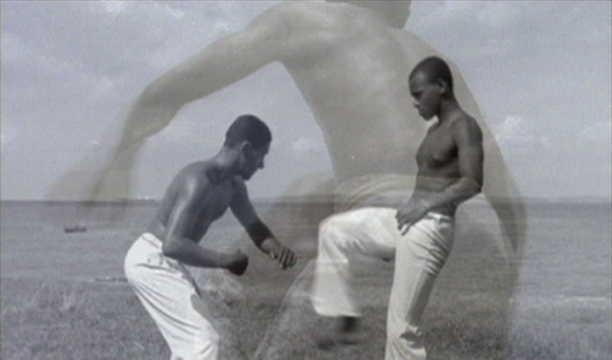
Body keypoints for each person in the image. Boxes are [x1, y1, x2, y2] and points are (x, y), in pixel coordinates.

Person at [50, 0, 524, 257]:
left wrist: (117, 157)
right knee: (312, 192)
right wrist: (509, 276)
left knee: (306, 194)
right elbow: (503, 187)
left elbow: (178, 85)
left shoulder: (306, 19)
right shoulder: (432, 58)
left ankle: (236, 317)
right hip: (458, 232)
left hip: (382, 220)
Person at [311, 56, 484, 360]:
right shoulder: (434, 130)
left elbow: (473, 181)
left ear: (442, 87)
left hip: (432, 226)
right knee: (335, 230)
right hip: (409, 220)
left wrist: (426, 204)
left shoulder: (464, 126)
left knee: (403, 325)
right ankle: (345, 316)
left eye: (419, 94)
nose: (414, 102)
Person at [123, 115, 297, 360]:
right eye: (261, 156)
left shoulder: (234, 186)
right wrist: (223, 260)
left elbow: (254, 226)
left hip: (165, 262)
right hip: (151, 259)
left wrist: (275, 248)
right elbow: (173, 244)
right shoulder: (197, 180)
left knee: (189, 333)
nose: (262, 165)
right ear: (245, 149)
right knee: (202, 339)